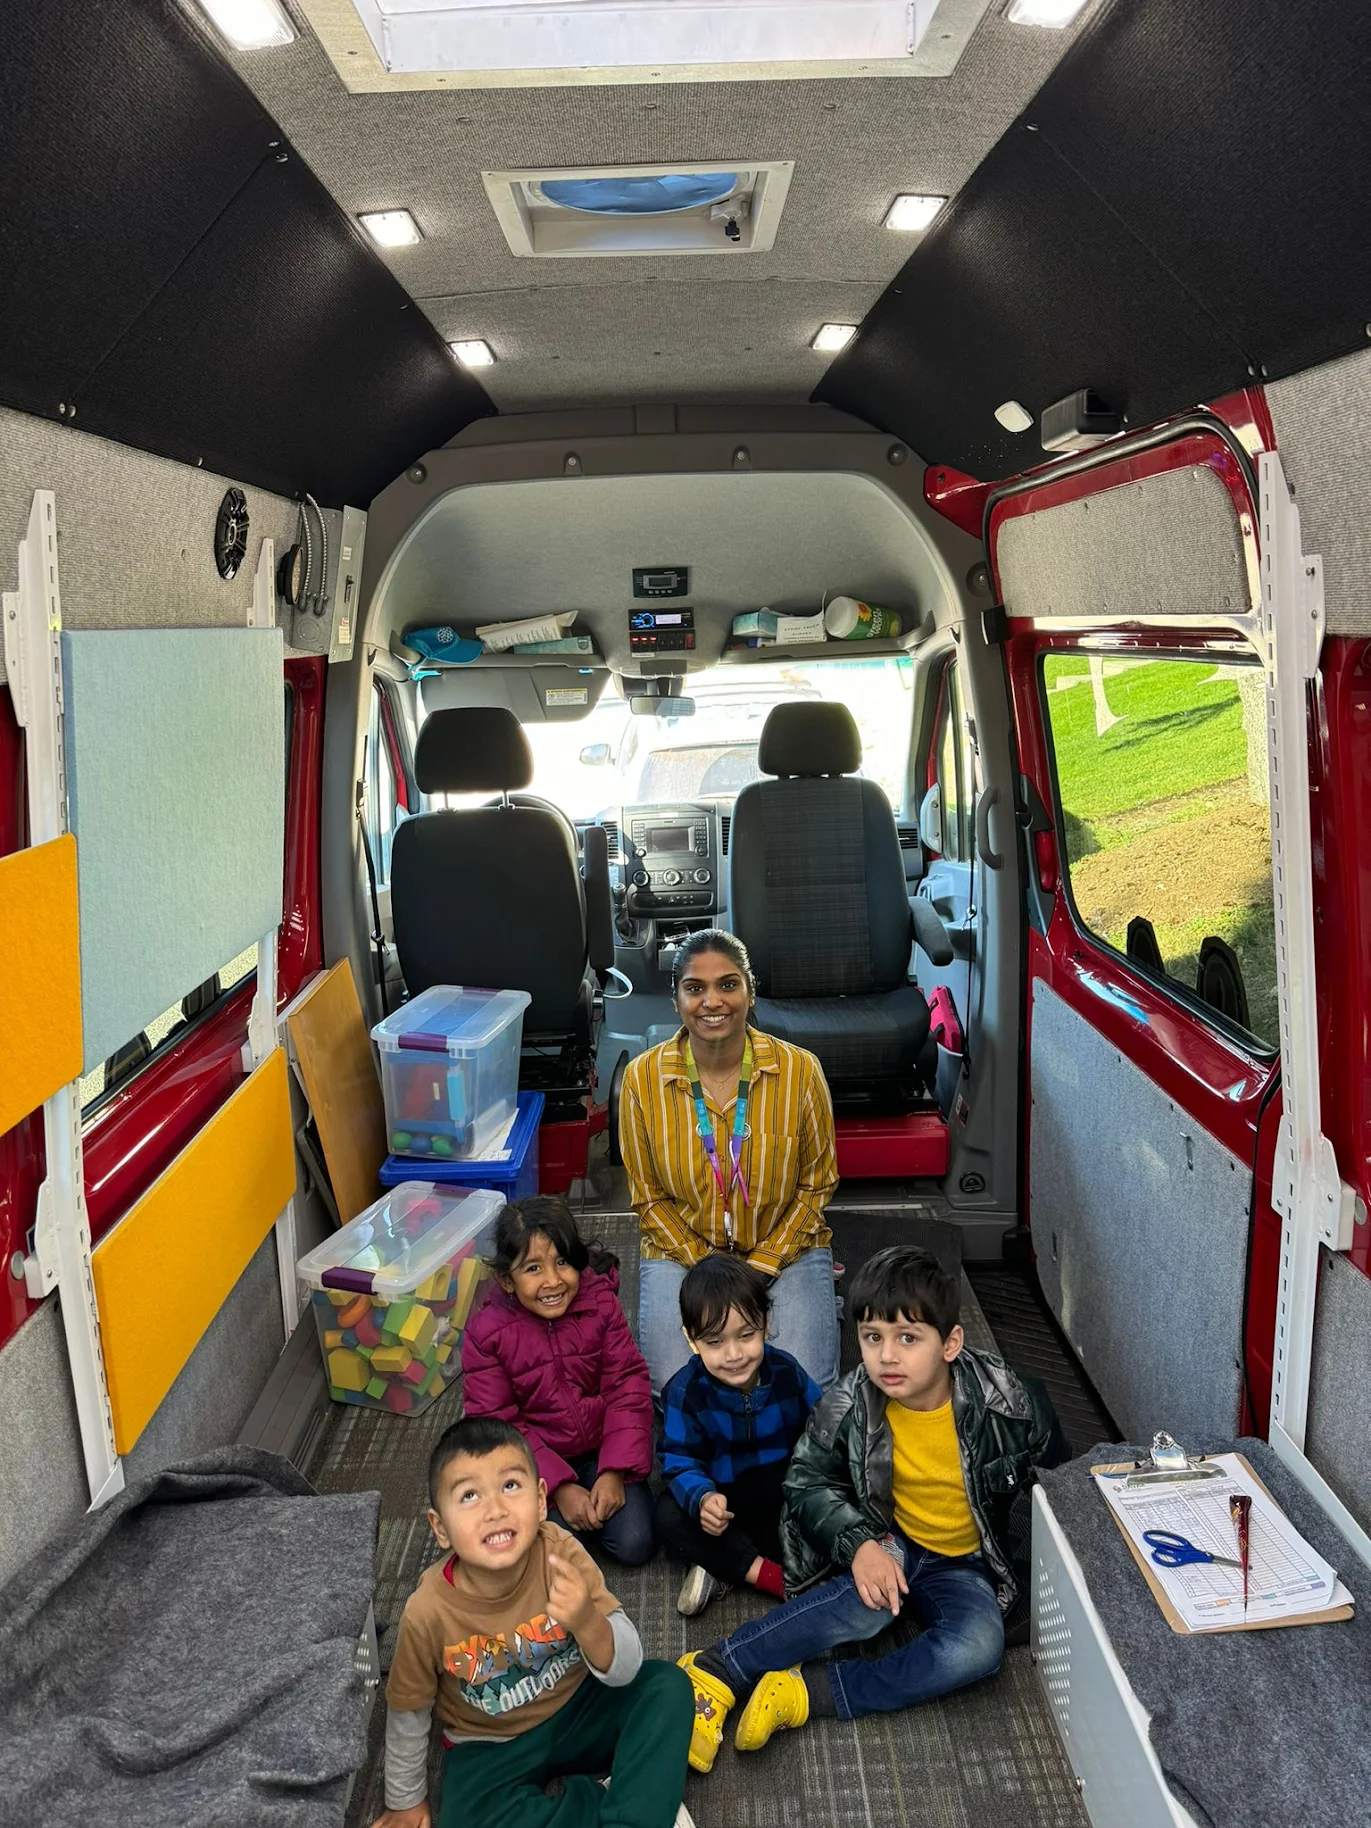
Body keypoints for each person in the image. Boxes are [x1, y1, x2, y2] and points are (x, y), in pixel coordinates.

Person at [676, 1245, 1067, 1773]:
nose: (886, 1357)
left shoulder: (1011, 1402)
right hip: (892, 1538)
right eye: (872, 1337)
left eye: (908, 1338)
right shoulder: (849, 1402)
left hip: (969, 1562)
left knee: (979, 1649)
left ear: (950, 1343)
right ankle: (717, 1668)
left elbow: (1061, 1483)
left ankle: (807, 1692)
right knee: (861, 1606)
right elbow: (807, 1479)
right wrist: (859, 1544)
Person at [373, 1417, 695, 1828]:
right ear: (440, 1528)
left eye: (510, 1485)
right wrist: (403, 1800)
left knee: (666, 1686)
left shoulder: (560, 1551)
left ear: (541, 1501)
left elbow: (627, 1665)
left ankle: (631, 1812)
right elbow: (408, 1708)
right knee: (464, 1818)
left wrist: (586, 1619)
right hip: (491, 1743)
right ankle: (629, 1804)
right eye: (469, 1495)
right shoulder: (426, 1611)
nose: (495, 1510)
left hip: (580, 1705)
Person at [619, 929, 840, 1397]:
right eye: (694, 988)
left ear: (750, 992)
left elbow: (816, 1186)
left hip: (782, 1244)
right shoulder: (641, 1079)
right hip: (683, 1250)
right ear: (676, 1001)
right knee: (674, 1389)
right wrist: (711, 1273)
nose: (712, 1001)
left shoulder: (801, 1071)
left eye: (727, 984)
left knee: (808, 1389)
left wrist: (758, 1269)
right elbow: (649, 1199)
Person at [462, 1197, 656, 1566]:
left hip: (602, 1447)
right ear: (506, 1280)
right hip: (535, 1460)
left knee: (635, 1543)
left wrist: (614, 1470)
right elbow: (497, 1424)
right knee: (557, 1554)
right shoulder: (487, 1334)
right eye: (533, 1268)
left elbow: (627, 1385)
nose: (552, 1281)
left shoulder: (600, 1304)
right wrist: (559, 1488)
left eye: (563, 1262)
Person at [655, 1254, 823, 1618]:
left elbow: (824, 1425)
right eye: (715, 1342)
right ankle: (771, 1577)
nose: (734, 1355)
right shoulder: (684, 1391)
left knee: (821, 1517)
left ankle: (719, 1566)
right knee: (668, 1514)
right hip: (724, 1497)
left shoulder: (786, 1371)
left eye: (746, 1335)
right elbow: (679, 1459)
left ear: (765, 1322)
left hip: (781, 1491)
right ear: (691, 1339)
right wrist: (703, 1499)